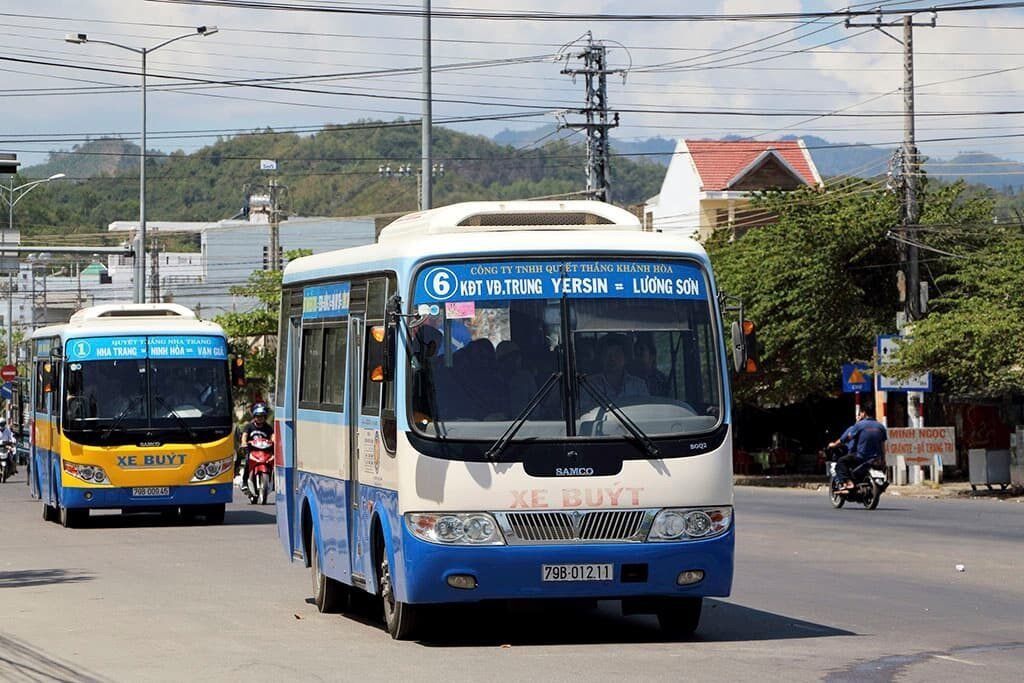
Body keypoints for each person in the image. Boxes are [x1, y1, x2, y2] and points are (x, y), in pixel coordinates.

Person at [585, 334, 649, 409]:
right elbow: (583, 413)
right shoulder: (589, 386)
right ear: (601, 358)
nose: (612, 358)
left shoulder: (638, 385)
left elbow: (646, 410)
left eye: (617, 354)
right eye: (607, 354)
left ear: (626, 358)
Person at [829, 409, 887, 490]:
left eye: (859, 414)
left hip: (861, 457)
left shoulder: (858, 426)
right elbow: (882, 445)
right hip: (875, 459)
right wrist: (883, 459)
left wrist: (834, 444)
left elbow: (845, 439)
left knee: (841, 461)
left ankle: (848, 483)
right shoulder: (881, 427)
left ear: (863, 413)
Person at [240, 403, 274, 498]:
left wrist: (274, 441)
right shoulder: (249, 426)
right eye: (258, 416)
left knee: (273, 463)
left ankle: (272, 482)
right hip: (252, 451)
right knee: (247, 462)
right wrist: (243, 442)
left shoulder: (268, 427)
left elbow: (272, 435)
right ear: (254, 416)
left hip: (265, 452)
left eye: (262, 416)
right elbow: (245, 435)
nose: (260, 418)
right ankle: (244, 482)